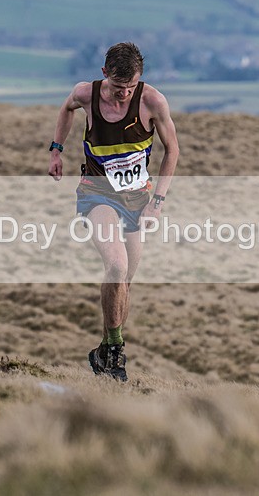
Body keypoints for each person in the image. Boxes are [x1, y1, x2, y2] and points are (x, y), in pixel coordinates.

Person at [47, 42, 179, 381]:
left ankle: (104, 350)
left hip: (137, 199)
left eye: (130, 88)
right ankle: (117, 352)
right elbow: (66, 108)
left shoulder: (153, 101)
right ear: (105, 74)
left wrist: (158, 201)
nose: (124, 95)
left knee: (124, 282)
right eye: (119, 88)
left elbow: (173, 150)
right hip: (97, 193)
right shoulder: (86, 94)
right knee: (116, 265)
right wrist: (56, 151)